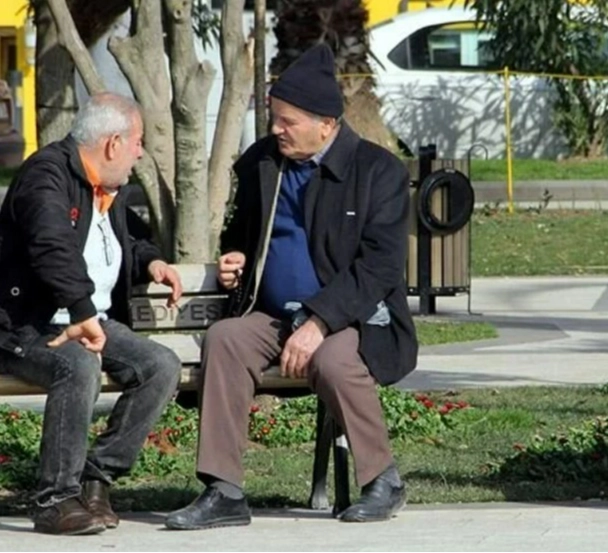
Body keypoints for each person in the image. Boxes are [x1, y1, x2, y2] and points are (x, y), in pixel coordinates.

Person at [165, 43, 418, 530]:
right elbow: (242, 230)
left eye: (288, 121)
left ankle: (383, 480)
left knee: (333, 359)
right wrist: (236, 255)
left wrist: (319, 322)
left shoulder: (377, 172)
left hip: (350, 319)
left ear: (326, 124)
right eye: (274, 118)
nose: (276, 129)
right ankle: (223, 490)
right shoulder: (263, 163)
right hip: (273, 316)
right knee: (225, 339)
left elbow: (379, 267)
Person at [0, 93, 183, 535]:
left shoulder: (105, 187)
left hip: (88, 321)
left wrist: (150, 262)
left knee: (160, 366)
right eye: (137, 142)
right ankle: (54, 500)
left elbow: (122, 239)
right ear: (113, 143)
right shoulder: (45, 177)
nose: (140, 152)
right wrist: (81, 311)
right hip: (26, 324)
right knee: (77, 365)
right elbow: (52, 246)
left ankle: (95, 479)